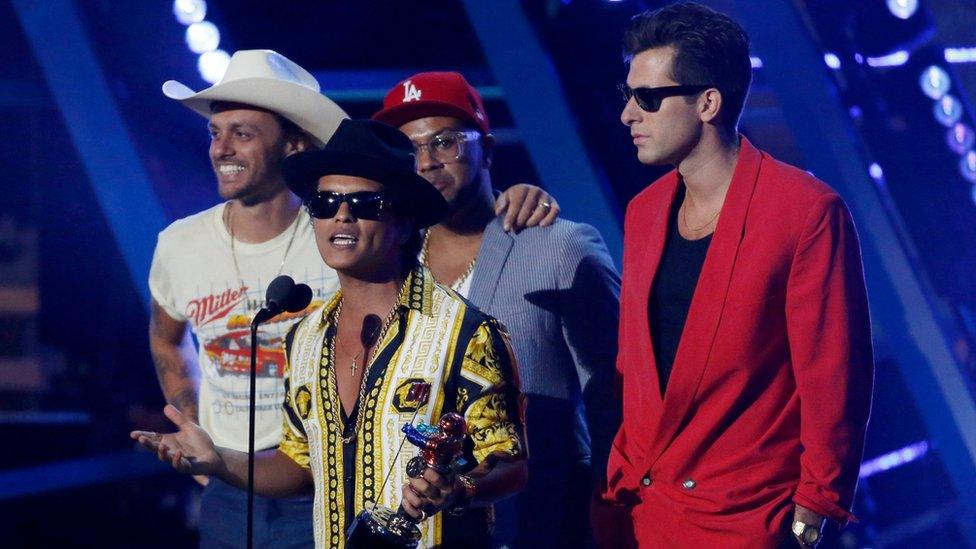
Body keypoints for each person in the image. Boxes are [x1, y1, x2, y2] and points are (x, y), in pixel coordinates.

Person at [148, 51, 557, 547]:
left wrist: (460, 487)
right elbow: (297, 463)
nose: (341, 216)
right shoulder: (306, 336)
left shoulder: (465, 332)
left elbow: (510, 462)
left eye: (364, 204)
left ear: (404, 221)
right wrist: (217, 460)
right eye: (325, 203)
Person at [594, 3, 874, 548]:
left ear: (708, 102)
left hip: (749, 517)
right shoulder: (644, 212)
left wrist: (813, 510)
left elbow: (834, 376)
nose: (628, 114)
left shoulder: (805, 210)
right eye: (628, 96)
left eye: (647, 98)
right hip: (645, 509)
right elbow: (639, 363)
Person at [372, 71, 622, 548]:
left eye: (444, 142)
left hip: (539, 523)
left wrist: (610, 517)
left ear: (485, 150)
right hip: (422, 530)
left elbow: (616, 395)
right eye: (410, 151)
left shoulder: (560, 246)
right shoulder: (390, 264)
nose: (425, 163)